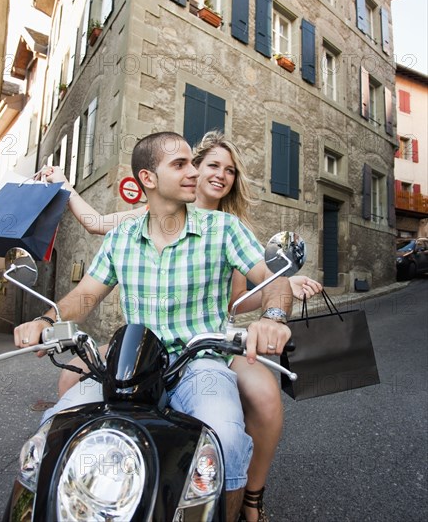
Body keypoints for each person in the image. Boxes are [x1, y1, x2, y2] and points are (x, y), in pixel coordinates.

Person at [40, 131, 322, 521]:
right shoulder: (126, 231)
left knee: (230, 429)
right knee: (56, 423)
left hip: (203, 351)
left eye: (199, 164)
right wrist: (47, 320)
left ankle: (242, 502)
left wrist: (274, 316)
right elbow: (86, 292)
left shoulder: (224, 228)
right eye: (185, 165)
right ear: (149, 180)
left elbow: (262, 284)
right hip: (139, 354)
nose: (200, 174)